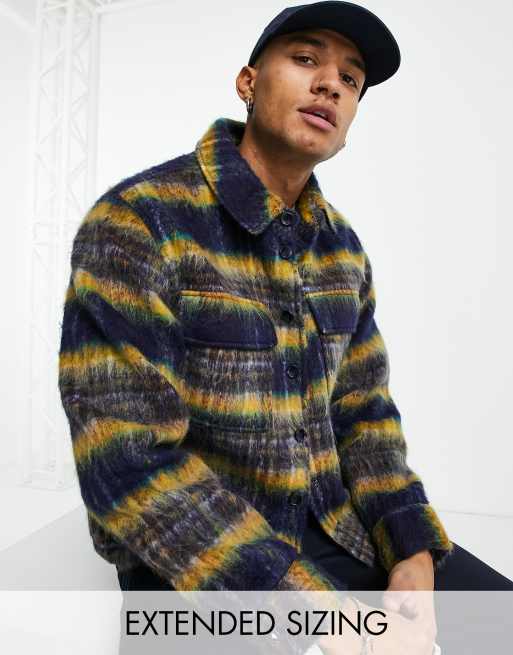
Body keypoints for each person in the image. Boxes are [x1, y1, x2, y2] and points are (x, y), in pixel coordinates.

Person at [58, 1, 512, 653]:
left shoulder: (341, 250)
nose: (330, 84)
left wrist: (412, 550)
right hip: (196, 565)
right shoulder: (138, 223)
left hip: (336, 535)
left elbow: (365, 419)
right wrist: (323, 618)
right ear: (247, 82)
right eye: (304, 59)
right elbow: (126, 462)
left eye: (350, 79)